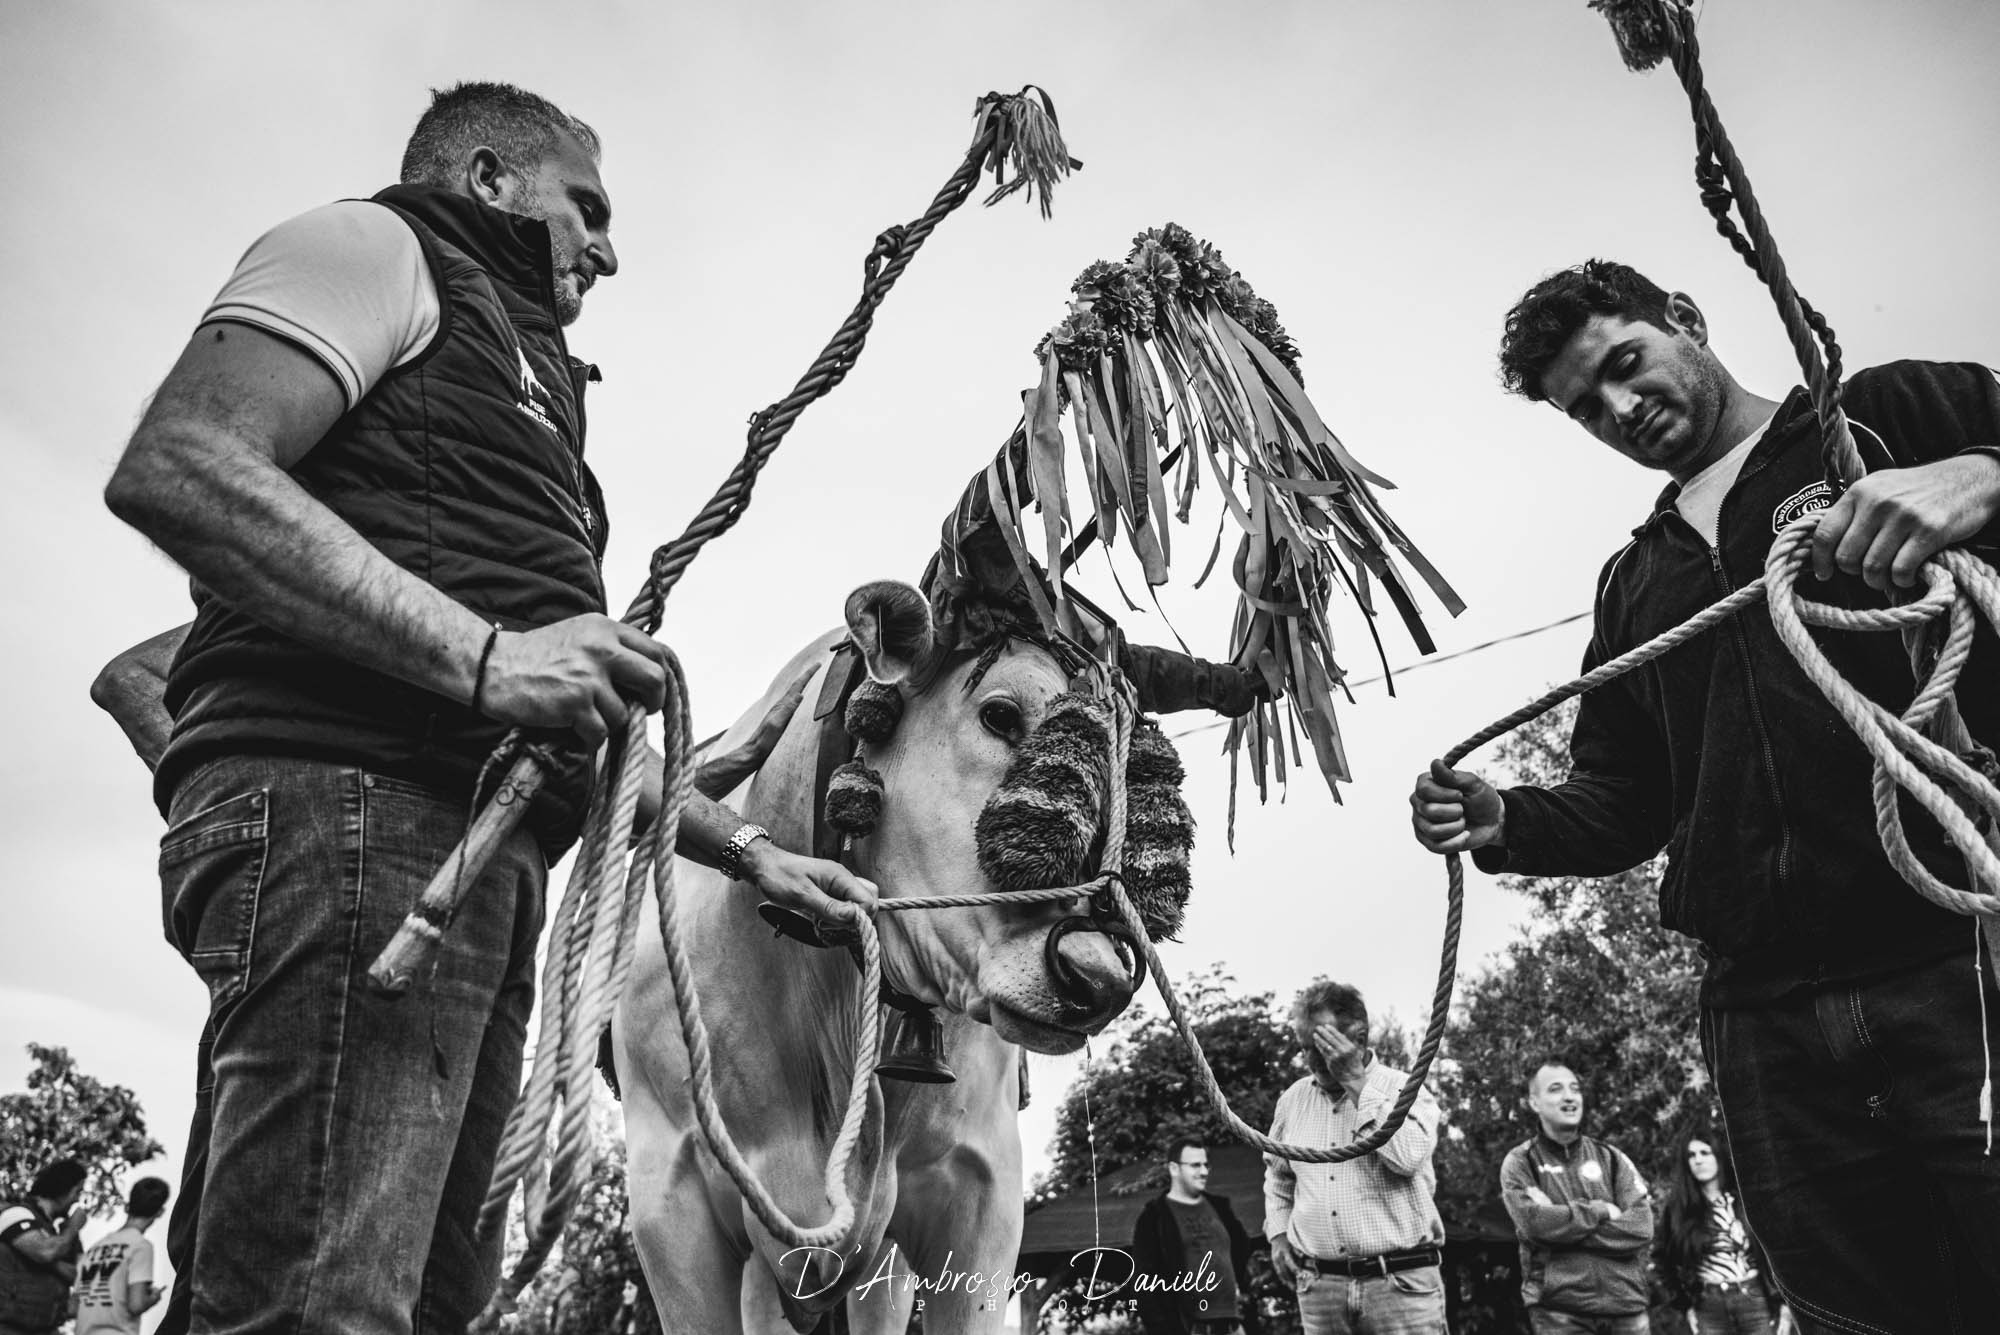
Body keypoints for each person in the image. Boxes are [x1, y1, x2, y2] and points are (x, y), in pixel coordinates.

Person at [94, 82, 877, 1335]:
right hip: (363, 830)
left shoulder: (529, 406)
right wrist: (484, 658)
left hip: (456, 852)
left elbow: (568, 725)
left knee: (417, 1306)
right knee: (322, 1308)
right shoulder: (375, 249)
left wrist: (753, 858)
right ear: (488, 177)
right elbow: (183, 464)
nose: (609, 249)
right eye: (588, 207)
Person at [1410, 260, 2000, 1334]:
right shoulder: (1635, 582)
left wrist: (1971, 476)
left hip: (1954, 955)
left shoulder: (1878, 421)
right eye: (1585, 409)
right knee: (1857, 1317)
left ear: (1683, 319)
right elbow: (1625, 800)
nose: (1620, 410)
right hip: (1766, 1014)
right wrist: (1508, 820)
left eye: (1624, 366)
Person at [1263, 980, 1446, 1335]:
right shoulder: (1292, 1100)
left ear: (1358, 1039)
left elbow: (1407, 1158)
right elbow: (1279, 1176)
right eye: (1304, 1048)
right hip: (1320, 1290)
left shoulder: (1404, 1089)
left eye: (1322, 1046)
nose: (1311, 1060)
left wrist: (1358, 1086)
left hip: (1399, 1285)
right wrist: (1279, 1232)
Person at [1499, 1063, 1653, 1334]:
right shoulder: (1520, 1161)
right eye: (1555, 1089)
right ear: (1534, 1103)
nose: (1569, 1096)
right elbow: (1536, 1225)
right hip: (1559, 1312)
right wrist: (1601, 1210)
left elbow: (1641, 1227)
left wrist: (1560, 1222)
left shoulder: (1611, 1157)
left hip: (1627, 1308)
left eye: (1575, 1089)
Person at [1129, 1137, 1262, 1335]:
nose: (1204, 1172)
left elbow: (1241, 1250)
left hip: (1232, 1326)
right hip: (1191, 1328)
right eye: (1195, 1165)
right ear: (1174, 1168)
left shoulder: (1220, 1208)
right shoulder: (1154, 1218)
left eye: (1206, 1165)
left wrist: (1242, 1305)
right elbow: (1143, 1283)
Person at [1654, 1137, 1778, 1335]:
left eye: (1705, 1152)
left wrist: (1783, 1304)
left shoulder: (1745, 1200)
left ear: (1718, 1156)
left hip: (1754, 1298)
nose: (1698, 1160)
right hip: (1708, 1304)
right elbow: (1661, 1259)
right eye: (1691, 1155)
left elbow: (1774, 1249)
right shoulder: (1679, 1208)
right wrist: (1683, 1304)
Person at [0, 1158, 87, 1335]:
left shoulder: (59, 1234)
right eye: (77, 1191)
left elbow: (81, 1277)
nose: (77, 1199)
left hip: (46, 1328)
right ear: (64, 1187)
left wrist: (49, 1260)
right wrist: (73, 1227)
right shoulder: (16, 1213)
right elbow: (46, 1252)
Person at [75, 1178, 170, 1335]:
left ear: (128, 1206)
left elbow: (73, 1307)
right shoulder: (140, 1246)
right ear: (160, 1212)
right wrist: (153, 1298)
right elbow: (136, 1305)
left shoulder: (94, 1248)